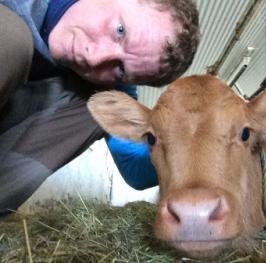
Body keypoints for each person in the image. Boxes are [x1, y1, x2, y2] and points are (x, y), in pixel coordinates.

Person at [0, 0, 199, 215]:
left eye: (120, 69)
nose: (94, 57)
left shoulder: (102, 84)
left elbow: (134, 170)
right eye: (119, 30)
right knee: (11, 38)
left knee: (99, 106)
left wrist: (190, 151)